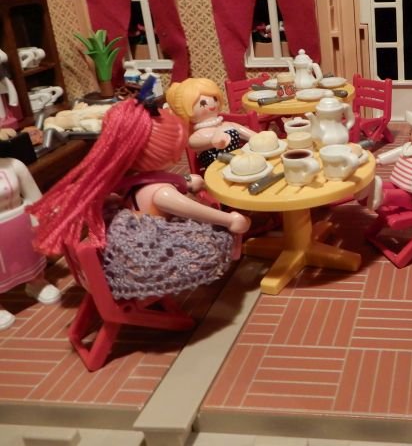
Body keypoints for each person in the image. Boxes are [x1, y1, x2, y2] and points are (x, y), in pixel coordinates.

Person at [28, 87, 250, 301]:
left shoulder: (134, 177)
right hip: (149, 254)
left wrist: (187, 181)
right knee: (217, 237)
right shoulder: (161, 193)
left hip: (142, 229)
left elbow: (154, 181)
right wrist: (229, 219)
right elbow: (192, 209)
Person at [0, 157, 60, 330]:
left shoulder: (14, 166)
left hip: (20, 227)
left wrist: (42, 219)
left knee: (26, 256)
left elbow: (35, 197)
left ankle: (36, 283)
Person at [166, 77, 257, 170]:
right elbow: (192, 143)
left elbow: (253, 136)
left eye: (215, 98)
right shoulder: (198, 135)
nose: (212, 104)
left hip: (241, 166)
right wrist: (212, 140)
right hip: (216, 173)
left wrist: (259, 138)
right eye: (203, 103)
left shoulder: (228, 125)